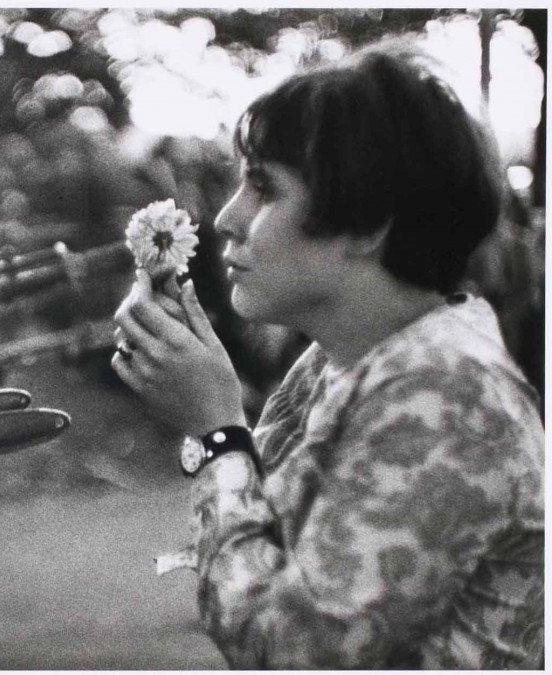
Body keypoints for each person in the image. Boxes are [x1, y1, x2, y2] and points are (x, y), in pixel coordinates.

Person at [111, 43, 543, 669]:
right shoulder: (343, 360)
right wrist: (209, 413)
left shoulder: (446, 391)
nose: (228, 218)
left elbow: (295, 652)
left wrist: (215, 434)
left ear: (369, 224)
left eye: (263, 188)